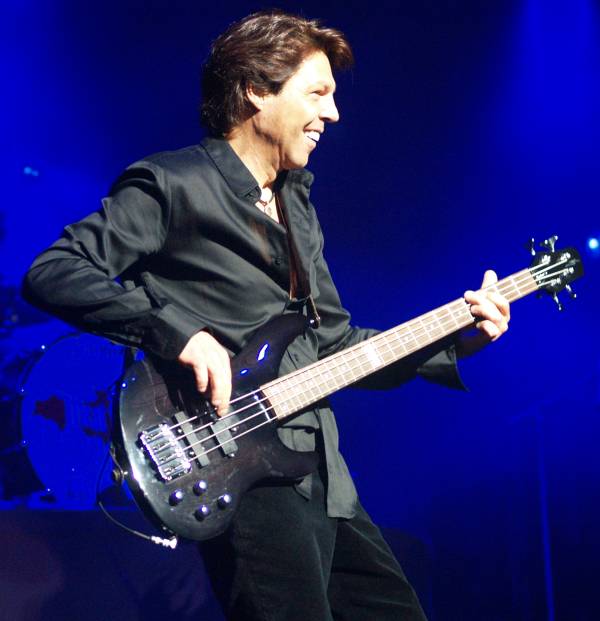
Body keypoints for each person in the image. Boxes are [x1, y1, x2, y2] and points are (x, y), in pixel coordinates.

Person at [22, 10, 510, 621]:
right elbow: (55, 270)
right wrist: (179, 334)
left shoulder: (296, 204)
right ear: (257, 90)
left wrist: (455, 342)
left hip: (324, 476)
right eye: (318, 93)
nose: (333, 114)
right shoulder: (174, 183)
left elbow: (338, 347)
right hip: (240, 472)